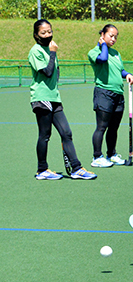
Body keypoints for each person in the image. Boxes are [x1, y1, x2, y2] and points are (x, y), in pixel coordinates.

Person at [28, 19, 97, 180]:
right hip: (41, 97)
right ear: (36, 35)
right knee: (45, 134)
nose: (47, 34)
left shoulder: (50, 49)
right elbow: (47, 72)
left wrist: (53, 54)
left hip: (54, 97)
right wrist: (52, 53)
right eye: (43, 32)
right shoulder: (36, 51)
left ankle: (76, 168)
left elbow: (56, 72)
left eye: (49, 31)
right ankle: (42, 170)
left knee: (66, 133)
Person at [88, 24, 133, 168]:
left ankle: (111, 154)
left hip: (118, 94)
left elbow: (120, 70)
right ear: (102, 34)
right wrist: (102, 44)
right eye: (111, 36)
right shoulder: (94, 52)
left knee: (114, 127)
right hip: (104, 93)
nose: (114, 39)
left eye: (116, 36)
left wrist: (127, 74)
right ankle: (97, 157)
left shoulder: (116, 53)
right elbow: (102, 59)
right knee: (102, 127)